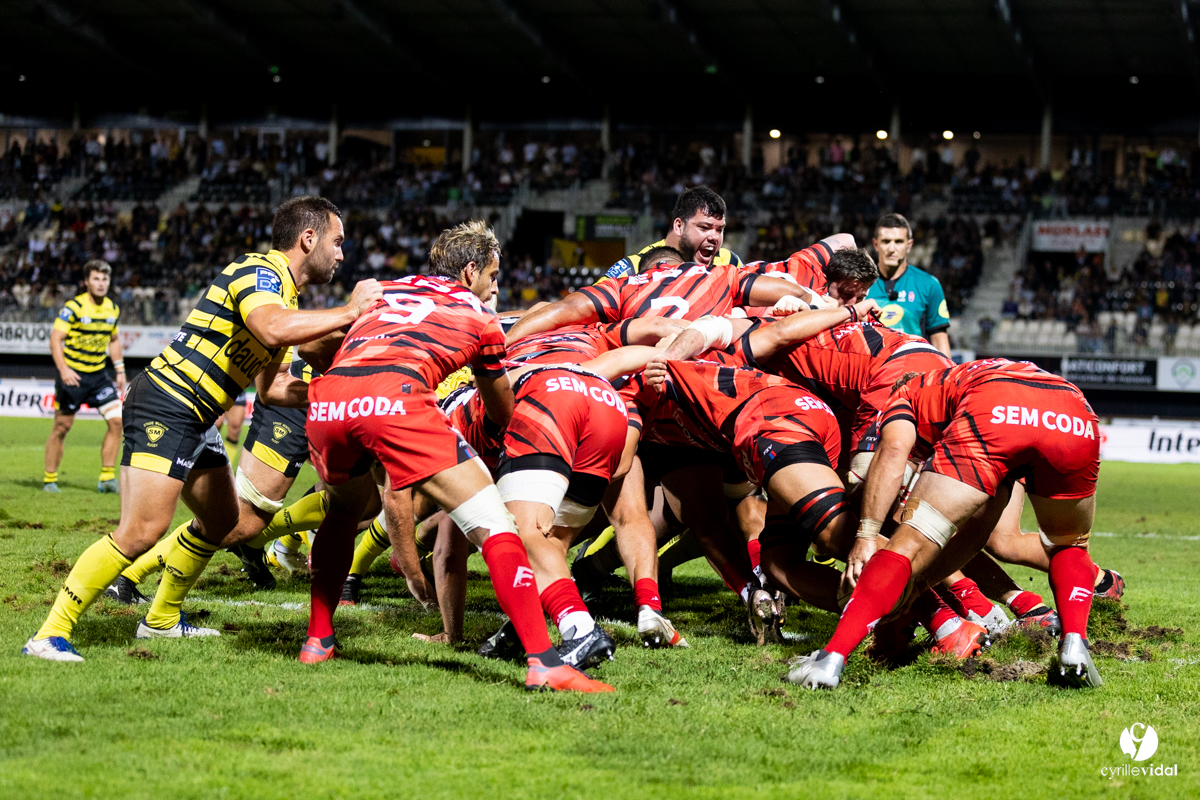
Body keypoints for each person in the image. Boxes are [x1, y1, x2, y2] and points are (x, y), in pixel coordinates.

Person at [22, 196, 383, 662]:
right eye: (336, 242)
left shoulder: (285, 295)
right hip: (167, 404)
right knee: (141, 531)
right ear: (307, 238)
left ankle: (161, 621)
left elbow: (272, 388)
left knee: (222, 520)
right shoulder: (261, 272)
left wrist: (335, 395)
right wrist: (349, 312)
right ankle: (49, 633)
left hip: (197, 416)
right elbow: (270, 329)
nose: (340, 254)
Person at [301, 220, 612, 693]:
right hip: (398, 397)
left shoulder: (382, 290)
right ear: (470, 272)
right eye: (492, 276)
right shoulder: (478, 313)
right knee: (496, 524)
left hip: (329, 400)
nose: (495, 287)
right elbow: (499, 403)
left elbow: (309, 343)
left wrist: (352, 379)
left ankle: (318, 641)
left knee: (343, 512)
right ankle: (544, 662)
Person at [788, 359, 1104, 689]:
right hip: (1073, 409)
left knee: (906, 545)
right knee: (1069, 545)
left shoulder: (905, 393)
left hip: (996, 406)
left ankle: (830, 659)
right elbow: (979, 527)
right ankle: (1075, 645)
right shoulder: (958, 379)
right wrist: (923, 584)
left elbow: (895, 448)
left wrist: (867, 534)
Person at [42, 260, 125, 494]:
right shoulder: (74, 307)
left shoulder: (112, 309)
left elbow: (114, 340)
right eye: (96, 279)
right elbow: (55, 339)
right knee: (62, 426)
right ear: (86, 282)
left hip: (98, 375)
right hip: (73, 377)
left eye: (105, 279)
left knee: (117, 422)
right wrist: (64, 370)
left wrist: (119, 370)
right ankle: (50, 480)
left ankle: (107, 478)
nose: (101, 284)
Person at [603, 187, 742, 280]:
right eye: (704, 228)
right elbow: (586, 308)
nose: (714, 237)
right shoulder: (634, 269)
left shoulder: (729, 261)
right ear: (679, 226)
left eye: (720, 230)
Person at [868, 214, 952, 356]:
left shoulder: (929, 285)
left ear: (909, 245)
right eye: (886, 241)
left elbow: (938, 337)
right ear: (876, 244)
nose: (892, 248)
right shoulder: (859, 284)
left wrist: (947, 376)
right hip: (869, 373)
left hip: (913, 372)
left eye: (899, 242)